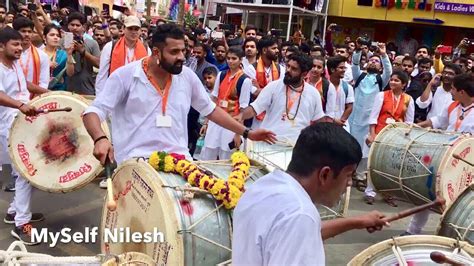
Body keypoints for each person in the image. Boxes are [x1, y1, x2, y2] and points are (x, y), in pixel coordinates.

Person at [82, 24, 276, 165]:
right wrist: (100, 138)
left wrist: (248, 133)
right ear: (156, 52)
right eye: (174, 52)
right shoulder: (125, 76)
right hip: (135, 164)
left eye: (183, 51)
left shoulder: (187, 77)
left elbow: (211, 110)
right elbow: (93, 112)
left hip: (180, 162)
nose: (182, 57)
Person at [232, 122, 388, 265]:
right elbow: (300, 226)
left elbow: (298, 233)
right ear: (325, 175)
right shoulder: (300, 215)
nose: (350, 184)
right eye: (348, 175)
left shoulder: (264, 185)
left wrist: (358, 221)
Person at [402, 73, 474, 236]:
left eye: (454, 89)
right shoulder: (452, 106)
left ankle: (452, 237)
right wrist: (414, 127)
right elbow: (436, 122)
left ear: (462, 92)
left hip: (466, 166)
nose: (451, 92)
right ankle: (412, 231)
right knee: (426, 193)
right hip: (444, 159)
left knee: (458, 204)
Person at [0, 27, 44, 245]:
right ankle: (21, 223)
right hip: (6, 125)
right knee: (27, 172)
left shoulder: (15, 64)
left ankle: (14, 211)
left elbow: (24, 85)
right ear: (1, 46)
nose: (20, 48)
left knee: (31, 171)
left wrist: (47, 93)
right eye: (15, 44)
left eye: (21, 44)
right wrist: (20, 104)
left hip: (22, 121)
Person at [236, 52, 325, 143]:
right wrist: (240, 116)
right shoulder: (273, 87)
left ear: (304, 74)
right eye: (288, 66)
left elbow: (319, 121)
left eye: (294, 69)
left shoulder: (313, 93)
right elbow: (254, 108)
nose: (288, 70)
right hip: (269, 145)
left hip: (296, 148)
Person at [364, 71, 415, 205]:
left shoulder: (409, 99)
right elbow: (373, 116)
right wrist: (372, 134)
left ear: (404, 84)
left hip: (396, 136)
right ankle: (370, 192)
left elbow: (409, 122)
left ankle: (389, 193)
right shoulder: (382, 95)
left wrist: (405, 139)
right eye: (391, 80)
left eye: (396, 81)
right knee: (373, 163)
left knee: (390, 166)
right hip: (380, 132)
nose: (392, 82)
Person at [200, 47, 252, 160]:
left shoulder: (245, 80)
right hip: (216, 118)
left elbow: (243, 109)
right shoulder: (221, 75)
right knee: (209, 150)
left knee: (227, 155)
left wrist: (238, 132)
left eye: (234, 58)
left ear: (240, 60)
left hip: (232, 121)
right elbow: (214, 99)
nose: (230, 61)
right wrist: (206, 122)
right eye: (228, 58)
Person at [95, 16, 149, 96]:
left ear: (140, 31)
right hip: (115, 93)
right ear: (123, 29)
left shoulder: (146, 49)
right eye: (130, 28)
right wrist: (100, 98)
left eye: (136, 29)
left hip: (136, 95)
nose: (133, 32)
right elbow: (102, 75)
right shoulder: (110, 47)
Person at [65, 12, 101, 95]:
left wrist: (83, 52)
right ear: (68, 26)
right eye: (72, 25)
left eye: (78, 25)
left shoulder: (92, 43)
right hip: (66, 90)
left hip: (87, 90)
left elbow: (99, 64)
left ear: (84, 27)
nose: (74, 28)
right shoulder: (62, 42)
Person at [13, 17, 50, 96]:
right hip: (11, 100)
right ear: (15, 32)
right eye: (23, 31)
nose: (27, 34)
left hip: (34, 101)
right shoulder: (8, 54)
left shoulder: (42, 56)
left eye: (29, 31)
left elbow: (43, 83)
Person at [326, 55, 354, 132]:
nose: (344, 70)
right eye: (341, 68)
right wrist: (333, 120)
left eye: (344, 68)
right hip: (325, 124)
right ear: (332, 69)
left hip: (342, 126)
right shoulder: (324, 86)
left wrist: (341, 121)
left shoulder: (347, 87)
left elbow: (350, 107)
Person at [42, 24, 67, 91]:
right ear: (44, 37)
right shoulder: (37, 53)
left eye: (58, 36)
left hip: (59, 91)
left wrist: (70, 55)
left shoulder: (63, 54)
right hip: (39, 90)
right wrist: (46, 64)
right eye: (52, 35)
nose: (55, 37)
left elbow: (70, 73)